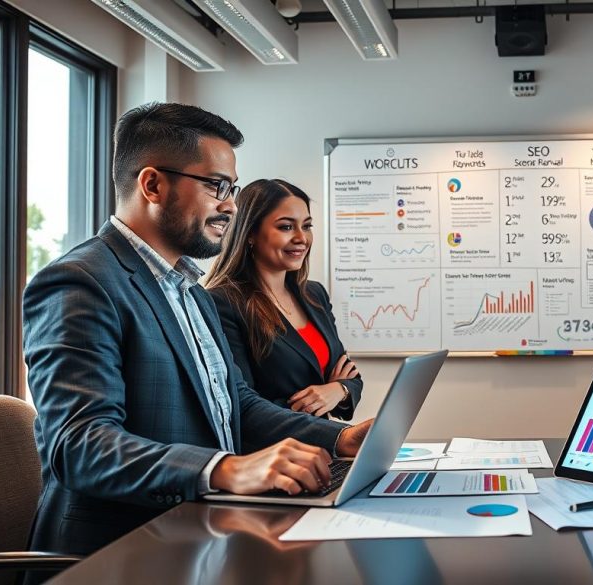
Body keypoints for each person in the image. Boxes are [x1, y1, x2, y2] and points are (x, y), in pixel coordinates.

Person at [22, 102, 372, 556]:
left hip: (201, 532)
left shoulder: (192, 292)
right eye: (216, 186)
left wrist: (339, 437)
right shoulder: (80, 282)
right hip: (120, 549)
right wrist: (226, 469)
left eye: (233, 187)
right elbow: (80, 445)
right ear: (152, 184)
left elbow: (235, 405)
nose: (230, 205)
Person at [206, 179, 362, 420]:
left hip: (327, 446)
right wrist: (317, 399)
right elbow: (242, 401)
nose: (302, 238)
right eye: (286, 227)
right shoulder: (223, 302)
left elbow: (350, 376)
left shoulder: (314, 295)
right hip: (275, 452)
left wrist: (338, 390)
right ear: (250, 234)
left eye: (307, 226)